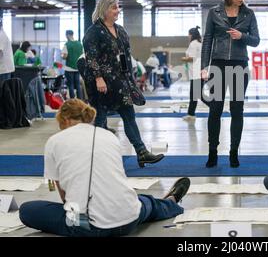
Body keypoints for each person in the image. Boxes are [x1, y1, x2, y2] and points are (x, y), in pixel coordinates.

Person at [19, 99, 190, 237]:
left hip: (87, 228)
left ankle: (79, 228)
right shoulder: (109, 136)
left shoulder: (54, 141)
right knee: (145, 202)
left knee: (27, 210)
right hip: (129, 220)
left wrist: (74, 212)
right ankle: (171, 202)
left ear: (65, 120)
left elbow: (63, 194)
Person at [82, 0, 164, 167]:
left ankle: (142, 152)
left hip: (120, 81)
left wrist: (130, 79)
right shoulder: (94, 31)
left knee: (129, 115)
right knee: (100, 118)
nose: (117, 10)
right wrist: (98, 78)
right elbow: (91, 58)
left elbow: (125, 56)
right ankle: (98, 156)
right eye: (114, 8)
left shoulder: (121, 30)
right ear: (105, 10)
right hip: (101, 82)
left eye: (118, 7)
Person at [201, 0, 260, 168]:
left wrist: (242, 36)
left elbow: (256, 40)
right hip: (217, 65)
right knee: (215, 109)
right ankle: (212, 152)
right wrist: (204, 66)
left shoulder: (249, 14)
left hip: (239, 65)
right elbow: (207, 40)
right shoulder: (214, 12)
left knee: (237, 110)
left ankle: (234, 152)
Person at [182, 26, 209, 122]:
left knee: (198, 95)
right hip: (199, 72)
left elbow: (192, 58)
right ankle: (191, 114)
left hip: (196, 73)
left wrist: (184, 59)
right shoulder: (199, 43)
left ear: (192, 35)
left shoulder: (193, 44)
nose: (188, 36)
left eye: (189, 34)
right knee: (194, 95)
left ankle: (215, 107)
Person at [62, 30, 84, 99]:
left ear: (68, 35)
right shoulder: (79, 44)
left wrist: (62, 56)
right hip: (77, 68)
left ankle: (72, 101)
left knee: (70, 85)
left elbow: (65, 56)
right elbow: (82, 55)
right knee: (78, 85)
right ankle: (80, 100)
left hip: (69, 68)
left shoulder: (67, 44)